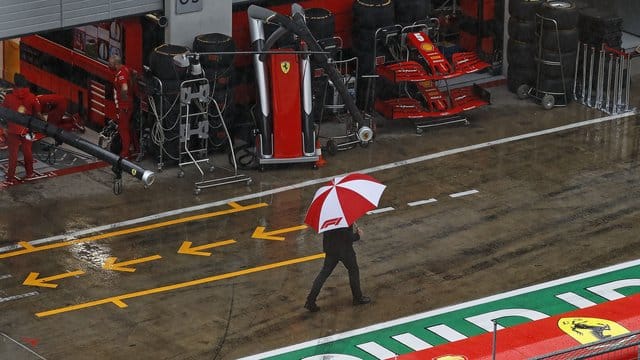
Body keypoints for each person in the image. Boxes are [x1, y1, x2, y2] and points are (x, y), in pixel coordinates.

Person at [305, 224, 371, 312]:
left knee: (323, 275)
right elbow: (348, 237)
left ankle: (310, 300)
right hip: (345, 251)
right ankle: (357, 298)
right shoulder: (343, 218)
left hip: (331, 250)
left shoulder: (328, 216)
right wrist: (357, 235)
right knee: (353, 271)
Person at [2, 76, 42, 182]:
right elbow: (37, 114)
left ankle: (10, 177)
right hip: (28, 130)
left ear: (15, 84)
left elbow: (3, 113)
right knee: (28, 151)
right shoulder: (32, 97)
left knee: (13, 154)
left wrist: (5, 127)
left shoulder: (8, 97)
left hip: (12, 130)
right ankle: (29, 173)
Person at [108, 54, 134, 158]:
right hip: (126, 105)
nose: (109, 65)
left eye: (110, 63)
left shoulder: (121, 74)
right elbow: (133, 73)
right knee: (126, 128)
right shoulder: (124, 69)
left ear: (116, 64)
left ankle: (125, 153)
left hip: (125, 107)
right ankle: (132, 148)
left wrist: (124, 101)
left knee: (123, 129)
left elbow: (124, 87)